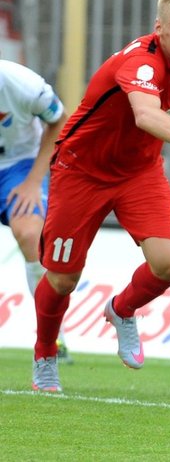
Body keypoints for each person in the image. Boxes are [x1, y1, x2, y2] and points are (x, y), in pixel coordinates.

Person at [31, 0, 170, 392]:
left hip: (139, 172)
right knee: (62, 279)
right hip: (81, 171)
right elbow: (146, 115)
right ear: (160, 28)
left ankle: (121, 310)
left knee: (168, 263)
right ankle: (44, 354)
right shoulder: (140, 64)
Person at [0, 60, 70, 360]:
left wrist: (34, 181)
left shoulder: (23, 83)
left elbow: (60, 119)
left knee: (30, 234)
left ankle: (53, 337)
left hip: (20, 166)